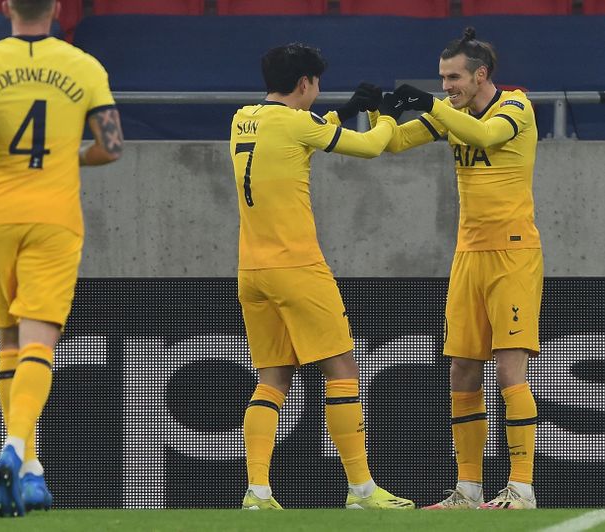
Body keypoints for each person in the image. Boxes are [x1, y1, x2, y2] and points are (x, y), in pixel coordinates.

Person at [0, 0, 123, 517]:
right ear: (58, 9)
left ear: (6, 7)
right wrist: (68, 156)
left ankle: (31, 471)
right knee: (41, 336)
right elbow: (111, 145)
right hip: (53, 215)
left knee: (8, 339)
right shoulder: (84, 66)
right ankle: (17, 449)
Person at [230, 43, 414, 511]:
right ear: (306, 83)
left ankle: (257, 492)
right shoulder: (298, 122)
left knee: (272, 378)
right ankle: (362, 491)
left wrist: (339, 113)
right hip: (297, 267)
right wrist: (381, 114)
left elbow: (293, 138)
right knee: (342, 371)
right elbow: (372, 148)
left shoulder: (242, 118)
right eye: (317, 84)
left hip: (251, 271)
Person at [388, 27, 541, 510]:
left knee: (509, 369)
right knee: (461, 370)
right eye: (442, 78)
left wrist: (432, 107)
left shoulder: (515, 106)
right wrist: (375, 112)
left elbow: (486, 134)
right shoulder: (452, 113)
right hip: (468, 254)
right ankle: (468, 488)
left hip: (512, 253)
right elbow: (391, 143)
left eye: (454, 77)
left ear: (481, 74)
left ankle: (521, 488)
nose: (447, 86)